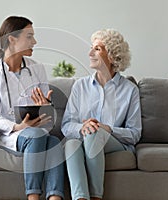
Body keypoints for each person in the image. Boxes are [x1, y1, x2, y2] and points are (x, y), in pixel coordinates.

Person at [0, 16, 64, 200]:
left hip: (37, 131)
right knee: (38, 135)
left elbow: (47, 114)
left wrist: (45, 107)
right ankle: (32, 197)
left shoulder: (37, 68)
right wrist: (19, 127)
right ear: (12, 39)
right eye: (29, 36)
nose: (35, 41)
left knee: (55, 143)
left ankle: (55, 198)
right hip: (10, 135)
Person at [61, 29, 142, 200]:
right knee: (71, 145)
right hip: (85, 139)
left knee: (94, 133)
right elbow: (67, 125)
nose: (90, 53)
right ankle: (81, 198)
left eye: (97, 49)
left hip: (116, 143)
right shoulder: (79, 86)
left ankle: (96, 197)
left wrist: (106, 129)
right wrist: (83, 127)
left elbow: (134, 134)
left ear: (113, 56)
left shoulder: (130, 90)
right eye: (92, 48)